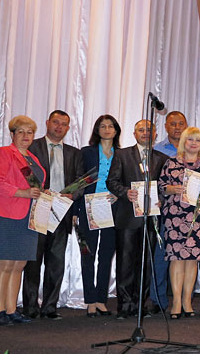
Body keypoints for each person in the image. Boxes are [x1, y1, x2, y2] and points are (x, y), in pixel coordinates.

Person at [23, 110, 83, 320]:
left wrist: (72, 195)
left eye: (64, 124)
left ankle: (49, 307)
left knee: (56, 263)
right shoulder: (32, 147)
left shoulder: (75, 153)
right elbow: (25, 173)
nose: (59, 127)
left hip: (61, 211)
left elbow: (81, 182)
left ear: (68, 128)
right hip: (37, 209)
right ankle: (30, 307)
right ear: (47, 122)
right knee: (33, 261)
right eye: (56, 122)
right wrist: (39, 191)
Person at [107, 120, 168, 319]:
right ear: (134, 134)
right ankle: (125, 306)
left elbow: (165, 186)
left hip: (151, 218)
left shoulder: (162, 158)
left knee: (146, 264)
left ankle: (140, 305)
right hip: (127, 217)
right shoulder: (122, 155)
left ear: (155, 134)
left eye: (149, 130)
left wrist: (162, 199)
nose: (145, 133)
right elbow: (111, 181)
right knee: (125, 263)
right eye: (141, 130)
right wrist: (125, 192)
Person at [158, 127, 200, 318]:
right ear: (183, 142)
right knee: (176, 258)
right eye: (190, 139)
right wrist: (172, 189)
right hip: (175, 216)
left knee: (193, 259)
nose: (193, 143)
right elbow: (161, 186)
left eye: (197, 140)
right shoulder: (171, 162)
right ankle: (176, 302)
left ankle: (187, 301)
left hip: (198, 216)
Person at [0, 116, 46, 326]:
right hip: (7, 214)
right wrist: (23, 193)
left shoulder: (33, 158)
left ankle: (12, 309)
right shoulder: (4, 153)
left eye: (29, 132)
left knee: (19, 264)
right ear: (12, 134)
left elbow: (36, 187)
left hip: (30, 217)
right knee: (5, 262)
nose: (25, 136)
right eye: (20, 131)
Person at [76, 115, 121, 317]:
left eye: (111, 126)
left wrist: (118, 195)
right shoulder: (86, 152)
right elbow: (79, 181)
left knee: (106, 255)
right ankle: (90, 300)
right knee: (88, 253)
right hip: (89, 206)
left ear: (116, 130)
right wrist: (75, 210)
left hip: (112, 207)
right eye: (103, 126)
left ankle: (101, 299)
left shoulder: (122, 154)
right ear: (97, 130)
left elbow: (124, 180)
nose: (107, 129)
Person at [149, 111, 188, 313]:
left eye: (181, 123)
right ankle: (158, 299)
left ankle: (183, 301)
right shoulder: (156, 150)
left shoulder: (194, 149)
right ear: (165, 126)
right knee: (161, 256)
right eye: (173, 124)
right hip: (163, 210)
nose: (177, 127)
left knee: (186, 257)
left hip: (188, 214)